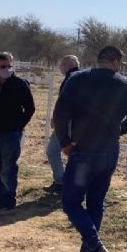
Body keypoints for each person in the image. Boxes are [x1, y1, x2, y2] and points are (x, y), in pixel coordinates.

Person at [53, 45, 127, 252]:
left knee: (71, 202)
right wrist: (117, 131)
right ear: (115, 62)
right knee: (96, 202)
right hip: (108, 152)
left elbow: (60, 114)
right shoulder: (124, 84)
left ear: (100, 59)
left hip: (83, 151)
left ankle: (95, 247)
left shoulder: (78, 80)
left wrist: (65, 142)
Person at [0, 52, 35, 216]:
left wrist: (19, 125)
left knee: (8, 168)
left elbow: (30, 108)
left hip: (11, 133)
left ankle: (9, 203)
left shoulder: (20, 84)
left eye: (9, 66)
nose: (6, 69)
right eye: (3, 66)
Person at [44, 55, 80, 194]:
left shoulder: (70, 79)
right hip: (81, 122)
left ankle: (61, 182)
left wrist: (56, 119)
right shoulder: (84, 77)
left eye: (61, 65)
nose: (60, 68)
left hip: (68, 121)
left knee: (52, 150)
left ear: (67, 64)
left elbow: (64, 103)